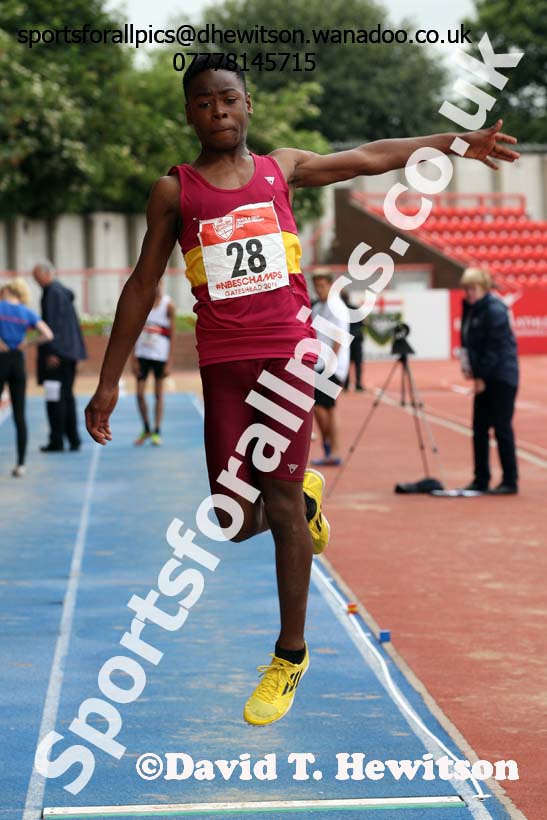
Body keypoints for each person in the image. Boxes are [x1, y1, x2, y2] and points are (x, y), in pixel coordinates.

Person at [84, 54, 519, 726]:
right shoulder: (175, 192)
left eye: (228, 98)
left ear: (248, 103)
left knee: (281, 505)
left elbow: (372, 156)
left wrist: (454, 141)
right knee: (229, 523)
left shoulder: (279, 169)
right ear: (189, 112)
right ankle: (305, 495)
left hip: (286, 356)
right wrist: (109, 381)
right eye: (203, 102)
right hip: (222, 364)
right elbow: (141, 284)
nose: (218, 111)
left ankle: (288, 654)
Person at [459, 268, 519, 494]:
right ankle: (481, 478)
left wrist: (482, 376)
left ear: (483, 287)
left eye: (472, 288)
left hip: (502, 376)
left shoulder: (495, 310)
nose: (469, 293)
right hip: (484, 374)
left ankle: (510, 480)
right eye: (466, 289)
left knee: (502, 427)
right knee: (479, 428)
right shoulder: (471, 309)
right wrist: (469, 368)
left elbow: (494, 348)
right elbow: (469, 342)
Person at [0, 278, 53, 476]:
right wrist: (27, 343)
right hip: (17, 363)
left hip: (1, 359)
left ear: (7, 291)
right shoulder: (26, 313)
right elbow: (48, 334)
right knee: (19, 415)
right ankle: (21, 464)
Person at [32, 261, 87, 452]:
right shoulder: (62, 292)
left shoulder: (52, 293)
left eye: (36, 276)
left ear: (46, 274)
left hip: (58, 356)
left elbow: (53, 325)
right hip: (69, 353)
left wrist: (52, 352)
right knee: (67, 397)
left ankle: (57, 440)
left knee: (55, 398)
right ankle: (73, 439)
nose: (35, 281)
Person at [311, 273, 350, 466]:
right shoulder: (318, 306)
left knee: (326, 407)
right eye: (316, 286)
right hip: (317, 363)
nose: (319, 290)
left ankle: (333, 449)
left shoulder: (337, 307)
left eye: (322, 286)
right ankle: (329, 447)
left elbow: (339, 338)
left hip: (331, 366)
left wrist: (330, 363)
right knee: (322, 407)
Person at [132, 286, 176, 446]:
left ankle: (157, 430)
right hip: (142, 355)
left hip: (160, 355)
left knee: (158, 395)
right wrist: (133, 359)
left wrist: (169, 362)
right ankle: (146, 428)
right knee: (139, 394)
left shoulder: (168, 305)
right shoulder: (141, 303)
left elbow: (173, 335)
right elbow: (133, 332)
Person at [341, 290, 365, 391]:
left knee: (347, 362)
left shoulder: (340, 310)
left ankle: (346, 384)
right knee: (358, 362)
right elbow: (362, 323)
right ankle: (358, 384)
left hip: (346, 339)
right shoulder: (355, 308)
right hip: (356, 338)